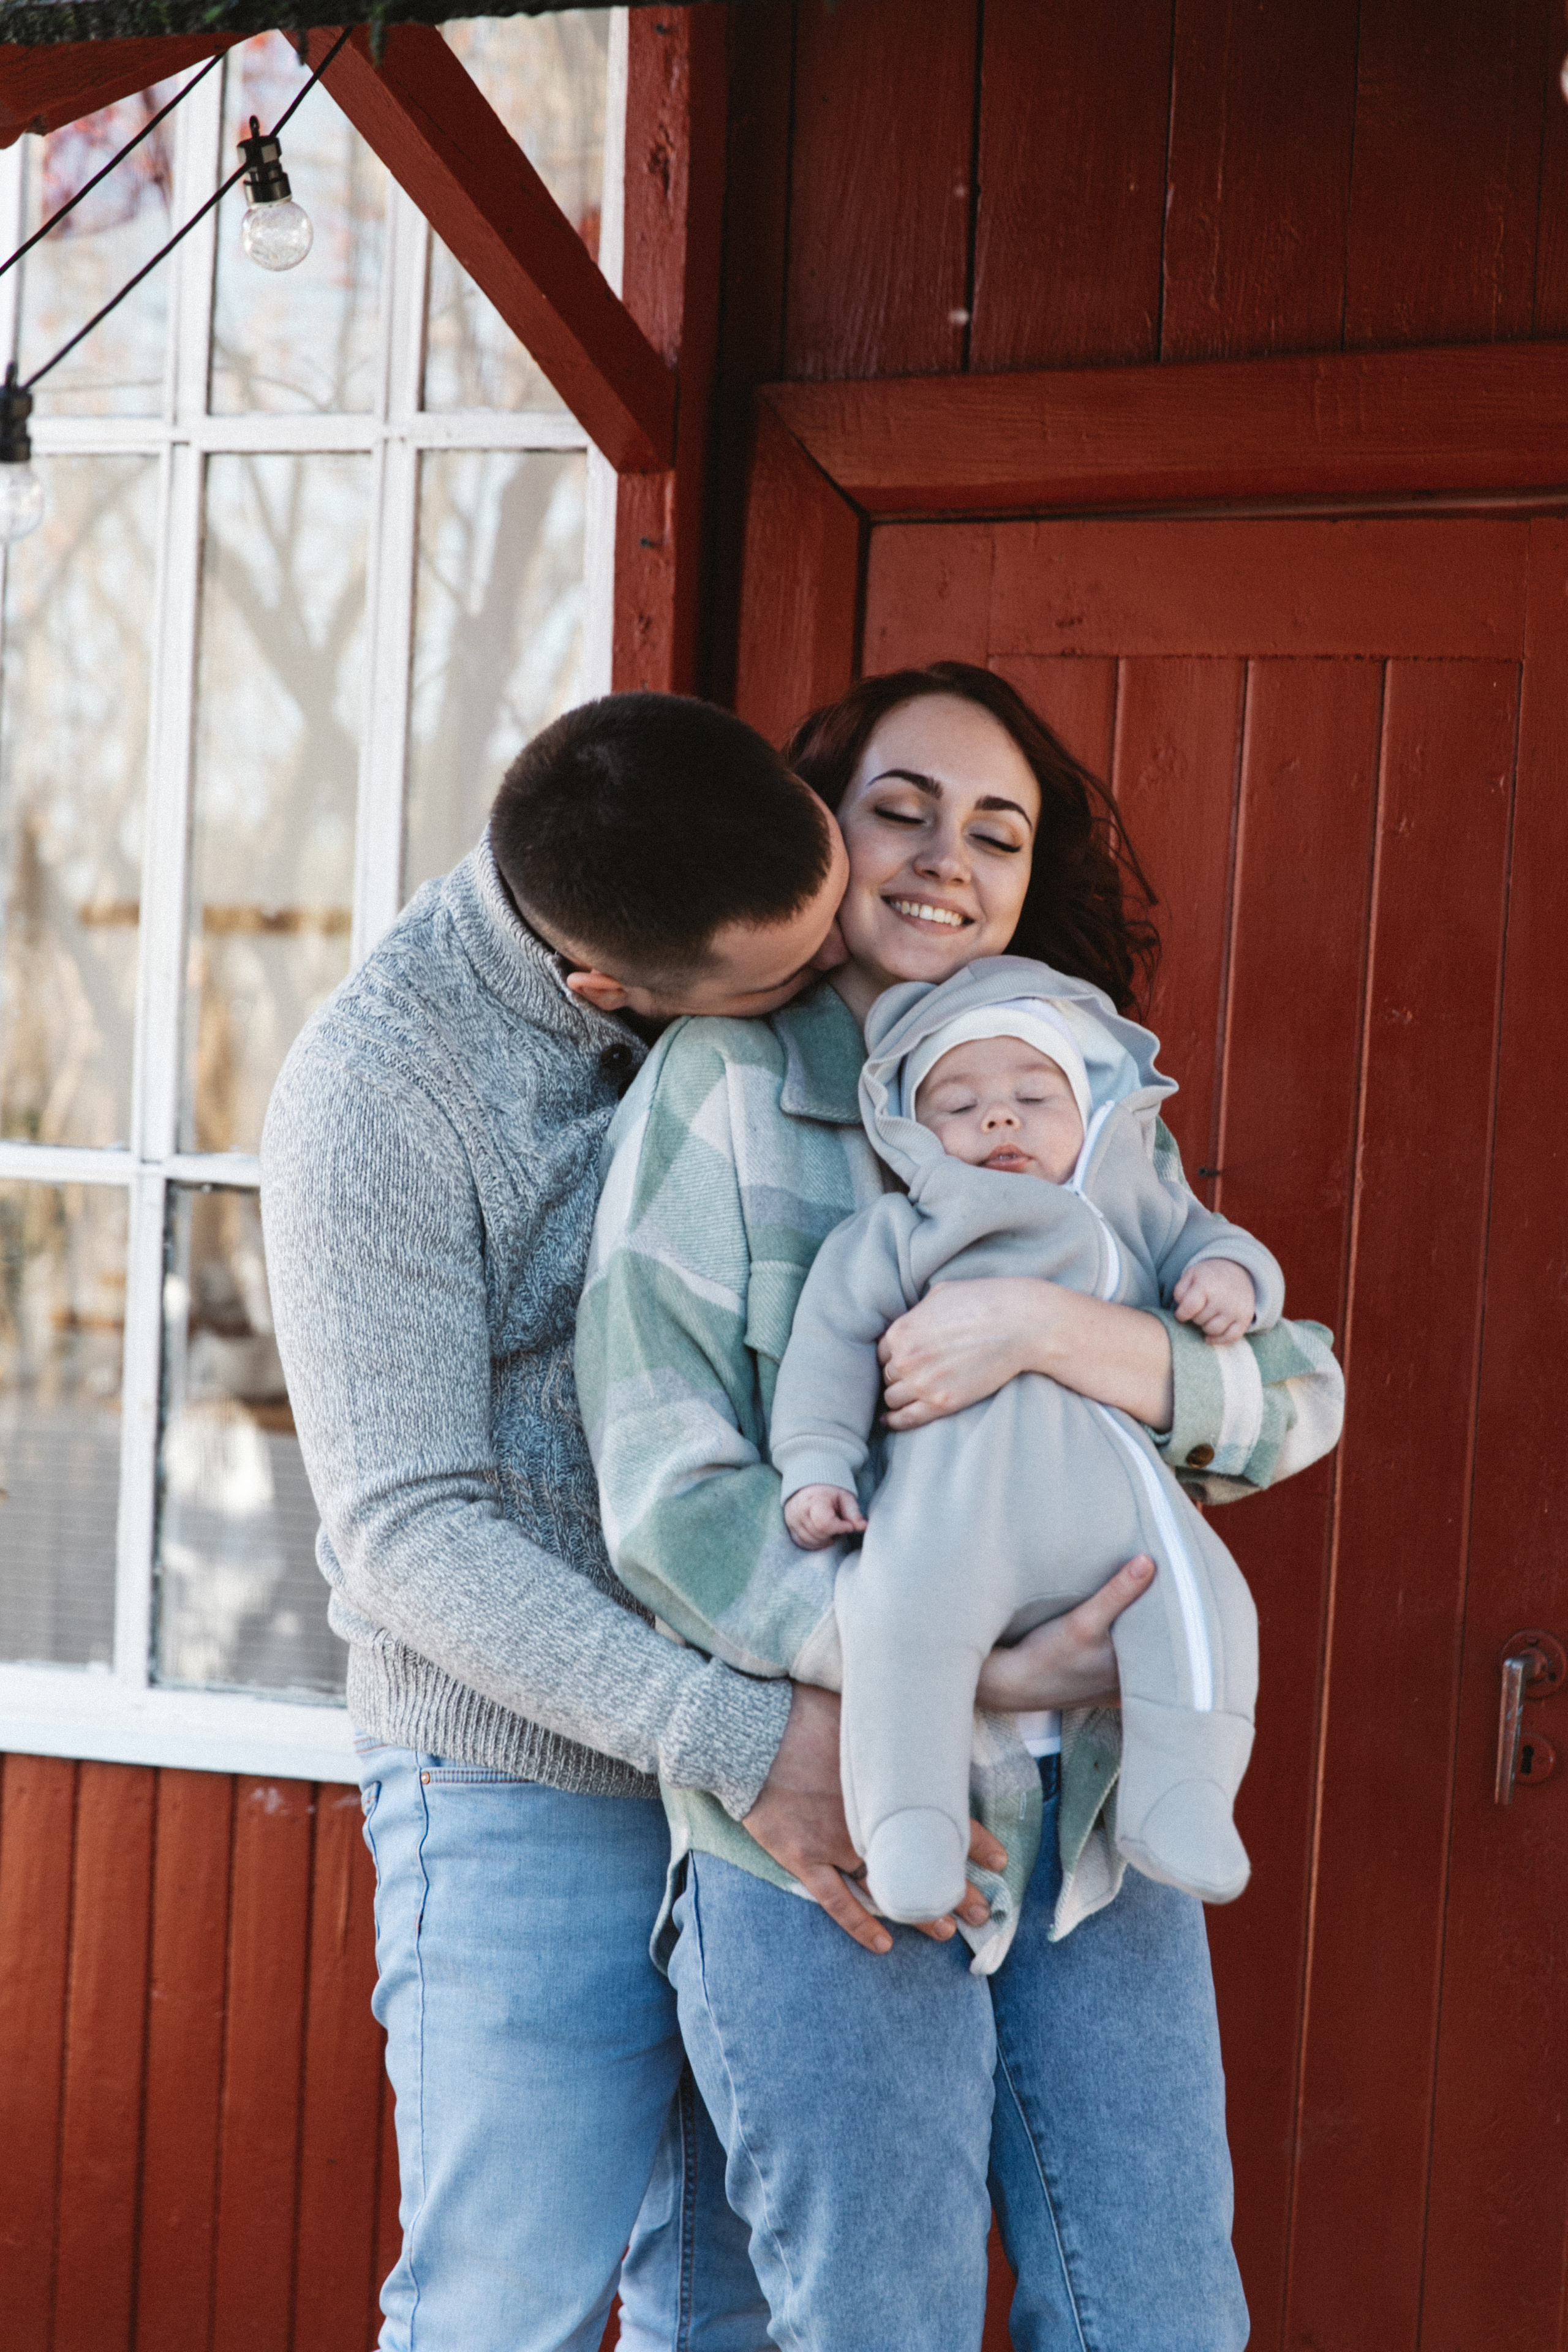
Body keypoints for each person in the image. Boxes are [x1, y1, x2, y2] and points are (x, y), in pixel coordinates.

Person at [260, 688, 1147, 2352]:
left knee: (726, 2302)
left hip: (768, 1739)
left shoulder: (715, 873)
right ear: (615, 999)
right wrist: (747, 1731)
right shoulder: (375, 1100)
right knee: (503, 2299)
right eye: (786, 982)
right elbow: (406, 1529)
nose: (831, 987)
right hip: (536, 1768)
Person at [576, 663, 1345, 2352]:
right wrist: (942, 1668)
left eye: (996, 831)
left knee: (1159, 2313)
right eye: (900, 809)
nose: (946, 858)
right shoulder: (723, 1086)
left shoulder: (1072, 1089)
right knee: (883, 2321)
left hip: (1093, 1828)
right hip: (831, 1827)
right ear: (817, 834)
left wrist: (1070, 1333)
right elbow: (664, 1491)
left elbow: (1294, 1394)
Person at [771, 954, 1290, 1926]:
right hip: (949, 1515)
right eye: (957, 1106)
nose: (997, 1119)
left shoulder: (1129, 1210)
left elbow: (1222, 1245)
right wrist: (815, 1464)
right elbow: (828, 1349)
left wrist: (1233, 1280)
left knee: (1208, 1602)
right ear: (909, 1135)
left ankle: (1184, 1799)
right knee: (898, 1626)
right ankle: (909, 1830)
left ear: (1087, 1110)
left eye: (1030, 1095)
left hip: (1116, 1508)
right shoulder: (900, 1231)